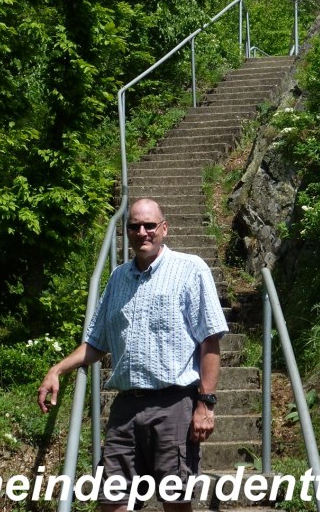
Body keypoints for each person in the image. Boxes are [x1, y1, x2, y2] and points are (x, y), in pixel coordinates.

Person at [37, 197, 228, 511]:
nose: (142, 232)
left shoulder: (190, 269)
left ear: (164, 228)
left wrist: (205, 404)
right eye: (134, 226)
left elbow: (210, 340)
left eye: (149, 225)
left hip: (174, 405)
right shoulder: (117, 278)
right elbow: (97, 342)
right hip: (125, 409)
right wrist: (57, 369)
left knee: (176, 502)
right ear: (126, 232)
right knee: (111, 500)